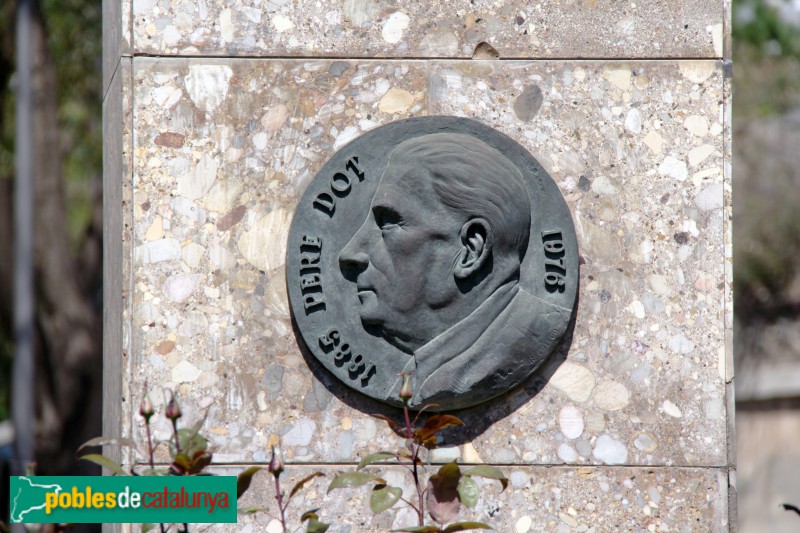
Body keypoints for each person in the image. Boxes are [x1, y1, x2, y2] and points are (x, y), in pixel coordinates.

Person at [338, 133, 568, 409]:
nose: (351, 253)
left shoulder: (520, 343)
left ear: (471, 249)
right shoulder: (428, 372)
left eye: (388, 223)